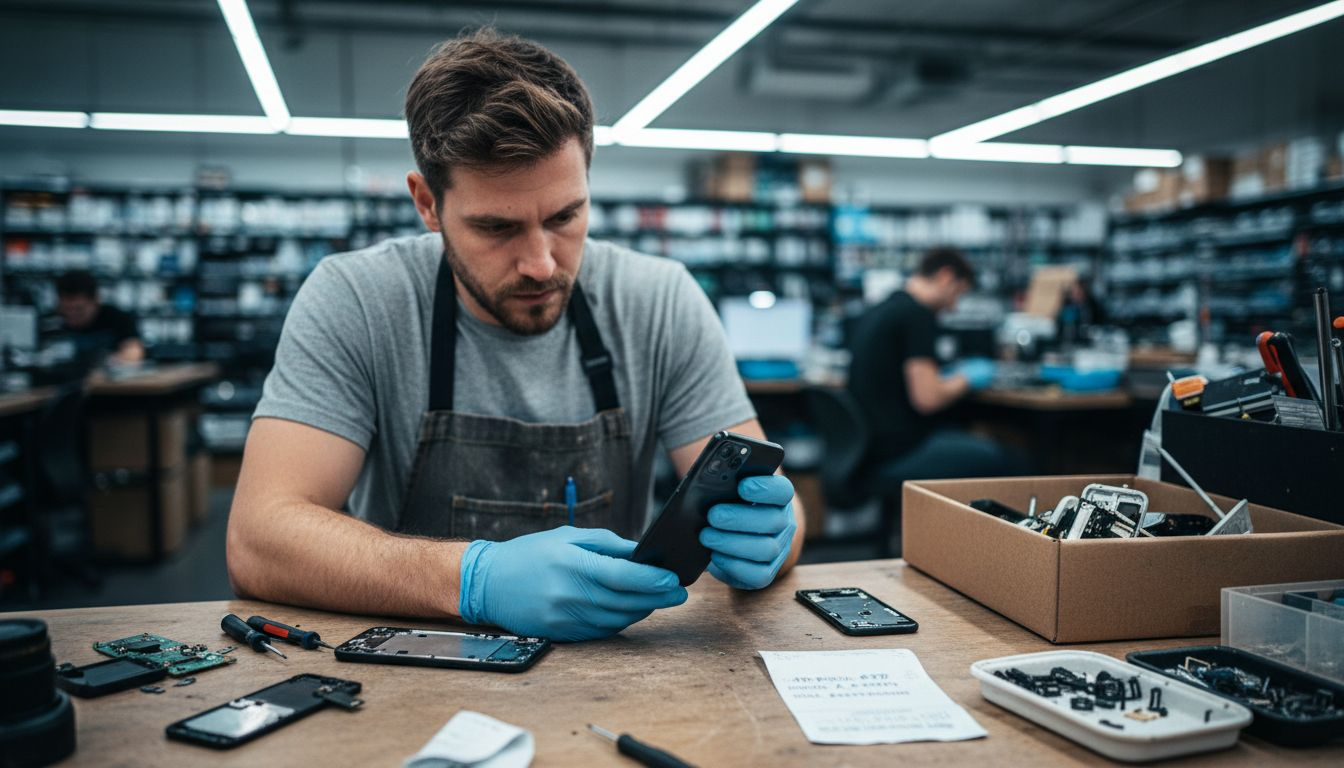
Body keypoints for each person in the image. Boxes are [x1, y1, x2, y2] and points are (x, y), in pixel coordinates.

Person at [226, 29, 804, 642]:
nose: (541, 264)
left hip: (615, 669)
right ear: (427, 204)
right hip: (416, 667)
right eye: (496, 227)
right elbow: (259, 539)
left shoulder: (660, 300)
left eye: (564, 217)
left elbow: (776, 508)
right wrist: (472, 579)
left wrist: (772, 533)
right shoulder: (358, 300)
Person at [847, 248, 1022, 491]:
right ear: (946, 277)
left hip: (871, 448)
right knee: (1013, 463)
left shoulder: (882, 308)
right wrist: (968, 377)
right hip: (900, 449)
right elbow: (927, 399)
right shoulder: (916, 315)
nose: (953, 307)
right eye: (958, 294)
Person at [54, 269, 144, 364]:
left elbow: (134, 351)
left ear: (96, 300)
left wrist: (113, 361)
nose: (71, 314)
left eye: (79, 309)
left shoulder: (117, 318)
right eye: (66, 308)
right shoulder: (51, 323)